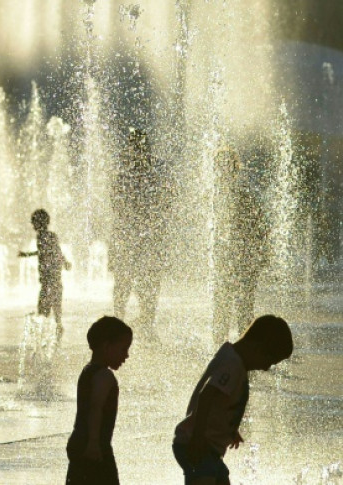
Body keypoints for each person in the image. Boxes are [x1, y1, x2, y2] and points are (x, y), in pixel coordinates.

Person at [173, 315, 293, 485]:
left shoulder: (233, 360)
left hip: (209, 448)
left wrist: (229, 428)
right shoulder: (232, 364)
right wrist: (198, 436)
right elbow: (206, 395)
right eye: (269, 361)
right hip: (198, 444)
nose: (266, 368)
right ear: (257, 347)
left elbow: (220, 401)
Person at [109, 128, 171, 340]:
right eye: (136, 147)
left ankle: (141, 324)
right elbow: (117, 206)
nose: (138, 151)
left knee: (142, 283)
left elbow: (117, 207)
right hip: (134, 237)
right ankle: (131, 324)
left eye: (140, 147)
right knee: (131, 283)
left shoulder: (129, 176)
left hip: (139, 238)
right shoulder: (130, 175)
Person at [212, 148, 271, 344]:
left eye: (226, 166)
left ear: (234, 169)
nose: (222, 170)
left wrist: (261, 253)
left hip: (243, 256)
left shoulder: (242, 194)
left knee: (243, 304)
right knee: (223, 304)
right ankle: (221, 345)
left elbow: (260, 224)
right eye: (219, 166)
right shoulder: (215, 195)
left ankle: (244, 346)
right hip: (226, 256)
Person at [65, 316, 133, 485]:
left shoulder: (88, 371)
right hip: (94, 445)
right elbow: (96, 408)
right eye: (123, 349)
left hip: (80, 441)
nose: (126, 355)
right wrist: (94, 442)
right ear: (106, 346)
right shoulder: (104, 376)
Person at [19, 209, 71, 340]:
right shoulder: (48, 235)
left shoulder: (43, 236)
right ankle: (56, 328)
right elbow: (47, 251)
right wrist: (27, 254)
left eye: (34, 222)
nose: (32, 225)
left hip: (49, 275)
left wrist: (63, 262)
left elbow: (53, 251)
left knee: (44, 305)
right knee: (54, 302)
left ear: (38, 222)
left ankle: (49, 331)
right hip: (52, 275)